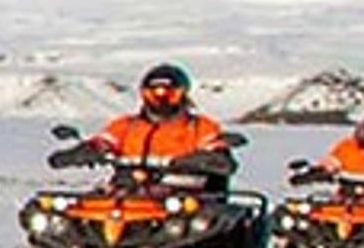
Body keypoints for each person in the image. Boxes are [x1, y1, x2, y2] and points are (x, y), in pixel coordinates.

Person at [55, 64, 234, 176]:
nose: (161, 97)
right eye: (153, 91)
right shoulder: (125, 125)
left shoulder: (200, 126)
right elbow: (105, 141)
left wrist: (207, 158)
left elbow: (213, 145)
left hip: (183, 191)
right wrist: (84, 151)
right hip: (128, 188)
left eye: (169, 92)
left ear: (183, 93)